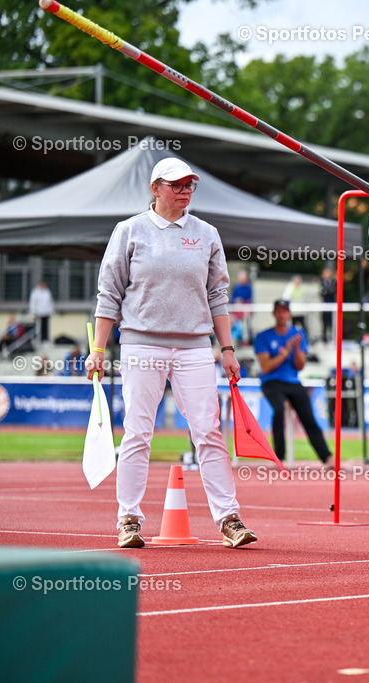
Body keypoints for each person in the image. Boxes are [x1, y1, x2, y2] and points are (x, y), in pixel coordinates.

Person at [87, 156, 256, 550]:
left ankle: (229, 518)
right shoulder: (128, 231)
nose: (184, 191)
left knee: (209, 432)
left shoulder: (207, 233)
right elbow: (108, 293)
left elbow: (218, 295)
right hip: (141, 343)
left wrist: (227, 349)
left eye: (189, 185)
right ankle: (128, 518)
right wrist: (97, 348)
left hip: (195, 345)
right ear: (155, 188)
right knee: (137, 432)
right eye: (176, 185)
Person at [254, 299, 333, 467]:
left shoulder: (298, 335)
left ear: (289, 314)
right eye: (279, 311)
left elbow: (300, 365)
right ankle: (279, 456)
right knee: (279, 410)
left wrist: (296, 349)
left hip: (292, 381)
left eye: (285, 311)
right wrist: (285, 351)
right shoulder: (263, 336)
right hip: (272, 381)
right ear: (274, 313)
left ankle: (326, 457)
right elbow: (266, 367)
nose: (282, 314)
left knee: (308, 417)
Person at [229, 270, 253, 345]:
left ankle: (245, 340)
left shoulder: (248, 288)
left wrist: (242, 301)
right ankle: (230, 339)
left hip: (244, 310)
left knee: (244, 324)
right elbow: (232, 298)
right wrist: (236, 301)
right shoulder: (236, 287)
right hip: (235, 310)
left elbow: (249, 299)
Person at [29, 279, 54, 344]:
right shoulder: (35, 292)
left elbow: (50, 302)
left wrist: (50, 311)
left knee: (45, 326)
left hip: (45, 312)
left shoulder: (47, 292)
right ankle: (35, 339)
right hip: (38, 312)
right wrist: (33, 311)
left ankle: (44, 339)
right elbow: (33, 302)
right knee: (36, 326)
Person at [320, 266, 338, 342]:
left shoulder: (334, 281)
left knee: (332, 322)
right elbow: (322, 293)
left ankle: (333, 337)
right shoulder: (322, 282)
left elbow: (334, 291)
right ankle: (324, 338)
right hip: (325, 305)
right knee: (324, 322)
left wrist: (328, 291)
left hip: (332, 305)